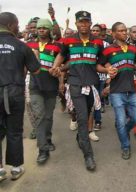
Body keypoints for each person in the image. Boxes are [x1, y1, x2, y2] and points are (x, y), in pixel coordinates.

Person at [50, 11, 104, 171]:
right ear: (76, 24)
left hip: (91, 84)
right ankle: (88, 155)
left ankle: (80, 137)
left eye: (87, 21)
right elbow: (61, 55)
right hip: (75, 83)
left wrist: (109, 70)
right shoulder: (68, 40)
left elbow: (100, 63)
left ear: (90, 23)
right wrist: (55, 66)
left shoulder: (98, 42)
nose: (84, 24)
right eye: (81, 22)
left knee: (87, 113)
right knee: (81, 117)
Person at [0, 12, 40, 181]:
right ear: (11, 25)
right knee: (14, 131)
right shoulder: (21, 45)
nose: (18, 27)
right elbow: (36, 70)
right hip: (14, 92)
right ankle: (16, 168)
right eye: (17, 24)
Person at [100, 22, 136, 160]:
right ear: (113, 33)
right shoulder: (107, 51)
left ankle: (124, 131)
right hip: (116, 91)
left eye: (125, 30)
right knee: (120, 121)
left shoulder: (133, 49)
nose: (124, 33)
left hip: (131, 90)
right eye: (121, 31)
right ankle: (125, 146)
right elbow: (100, 63)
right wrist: (108, 68)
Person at [26, 18, 61, 164]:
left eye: (44, 28)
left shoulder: (57, 47)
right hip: (35, 87)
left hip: (51, 87)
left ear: (49, 30)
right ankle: (43, 149)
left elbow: (64, 65)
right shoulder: (29, 45)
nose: (41, 30)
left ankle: (47, 138)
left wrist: (59, 70)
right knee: (39, 116)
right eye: (39, 28)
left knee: (48, 117)